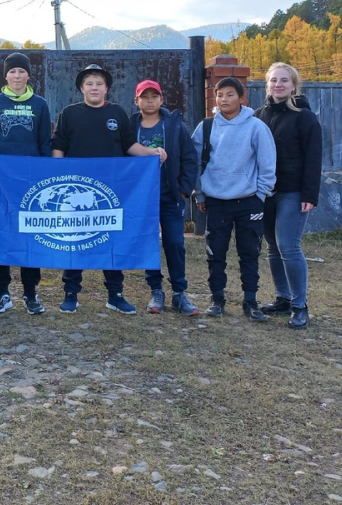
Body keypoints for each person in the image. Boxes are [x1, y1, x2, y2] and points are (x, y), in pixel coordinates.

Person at [51, 64, 166, 315]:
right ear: (81, 88)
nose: (94, 87)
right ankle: (71, 294)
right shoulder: (69, 113)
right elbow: (58, 144)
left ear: (106, 88)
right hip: (77, 190)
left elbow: (129, 145)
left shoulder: (117, 113)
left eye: (99, 83)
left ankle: (115, 295)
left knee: (112, 240)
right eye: (89, 83)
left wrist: (152, 153)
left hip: (110, 192)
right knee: (76, 241)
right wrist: (58, 174)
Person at [192, 76, 277, 321]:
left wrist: (261, 194)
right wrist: (201, 192)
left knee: (249, 252)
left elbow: (267, 164)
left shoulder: (256, 127)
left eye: (230, 94)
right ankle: (216, 298)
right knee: (215, 252)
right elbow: (196, 162)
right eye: (220, 95)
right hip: (216, 201)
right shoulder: (206, 127)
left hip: (249, 200)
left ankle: (250, 300)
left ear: (241, 98)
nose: (224, 99)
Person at [0, 52, 51, 315]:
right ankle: (2, 291)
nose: (17, 76)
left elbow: (44, 144)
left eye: (21, 71)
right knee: (2, 235)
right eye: (12, 72)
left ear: (29, 75)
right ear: (5, 76)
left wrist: (45, 174)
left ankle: (31, 292)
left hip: (30, 182)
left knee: (30, 234)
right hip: (1, 182)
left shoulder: (40, 104)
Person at [253, 63, 322, 330]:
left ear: (294, 86)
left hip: (293, 192)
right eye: (273, 81)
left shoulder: (305, 117)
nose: (278, 85)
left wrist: (310, 194)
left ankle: (299, 304)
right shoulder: (259, 115)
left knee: (288, 245)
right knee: (272, 245)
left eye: (284, 80)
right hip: (266, 191)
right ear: (267, 85)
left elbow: (313, 157)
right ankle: (282, 298)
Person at [130, 79, 200, 316]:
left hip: (170, 196)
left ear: (161, 99)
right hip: (142, 198)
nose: (150, 101)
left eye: (154, 96)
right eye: (144, 97)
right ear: (136, 100)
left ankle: (179, 292)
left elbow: (190, 157)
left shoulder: (174, 125)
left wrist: (183, 189)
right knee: (149, 244)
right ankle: (156, 291)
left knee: (175, 243)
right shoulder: (130, 126)